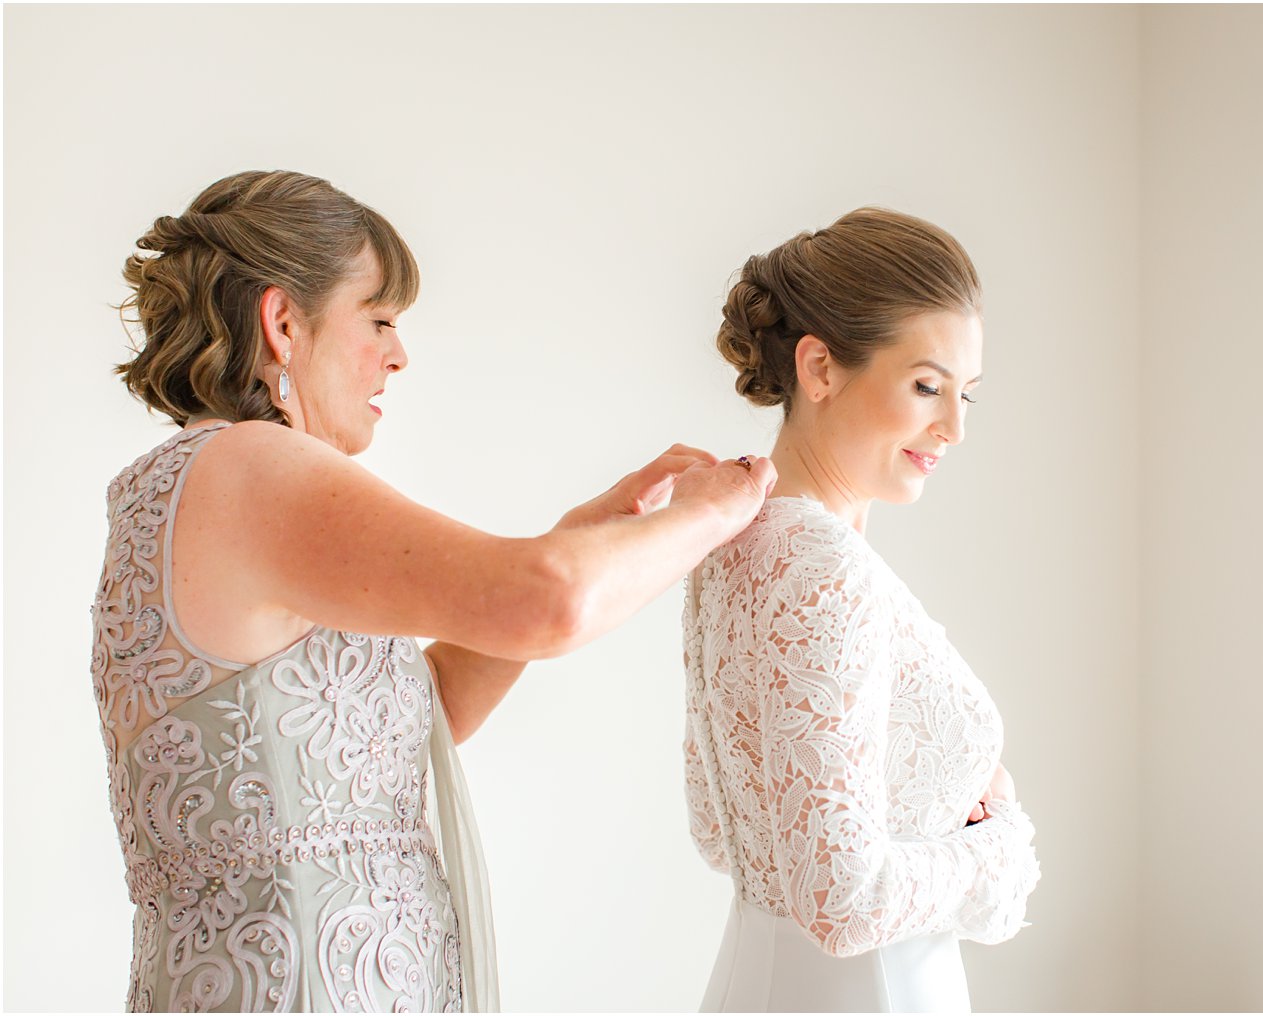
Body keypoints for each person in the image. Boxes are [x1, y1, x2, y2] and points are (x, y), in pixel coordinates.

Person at [92, 170, 775, 1012]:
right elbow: (548, 602)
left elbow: (414, 716)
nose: (398, 354)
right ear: (281, 324)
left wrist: (585, 531)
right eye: (378, 319)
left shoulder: (181, 487)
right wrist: (712, 514)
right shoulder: (251, 467)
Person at [682, 208, 1041, 1012]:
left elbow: (719, 829)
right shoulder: (823, 571)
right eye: (926, 386)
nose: (952, 427)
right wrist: (997, 842)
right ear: (819, 368)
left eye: (966, 396)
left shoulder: (736, 537)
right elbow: (844, 905)